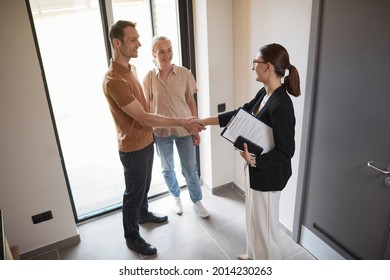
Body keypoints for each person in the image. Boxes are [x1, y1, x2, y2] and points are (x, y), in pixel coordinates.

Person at [102, 20, 204, 256]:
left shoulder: (131, 70)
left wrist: (189, 124)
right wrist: (183, 121)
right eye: (133, 39)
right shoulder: (114, 80)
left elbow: (150, 109)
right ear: (117, 43)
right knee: (134, 192)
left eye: (138, 38)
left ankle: (144, 213)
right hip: (133, 145)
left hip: (147, 141)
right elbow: (144, 116)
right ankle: (132, 237)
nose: (138, 43)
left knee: (144, 187)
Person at [198, 43, 300, 259]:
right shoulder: (264, 93)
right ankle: (253, 255)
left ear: (268, 67)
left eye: (256, 63)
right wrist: (204, 121)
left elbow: (287, 151)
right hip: (254, 169)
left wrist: (254, 160)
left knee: (267, 232)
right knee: (253, 218)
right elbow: (240, 113)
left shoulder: (281, 105)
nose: (253, 67)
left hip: (268, 175)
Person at [143, 36, 209, 218]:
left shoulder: (185, 74)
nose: (167, 55)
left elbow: (190, 101)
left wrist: (195, 128)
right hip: (161, 132)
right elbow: (147, 107)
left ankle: (197, 201)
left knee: (190, 169)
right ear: (153, 54)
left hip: (184, 130)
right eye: (162, 52)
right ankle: (176, 197)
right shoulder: (148, 78)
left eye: (169, 50)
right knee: (167, 168)